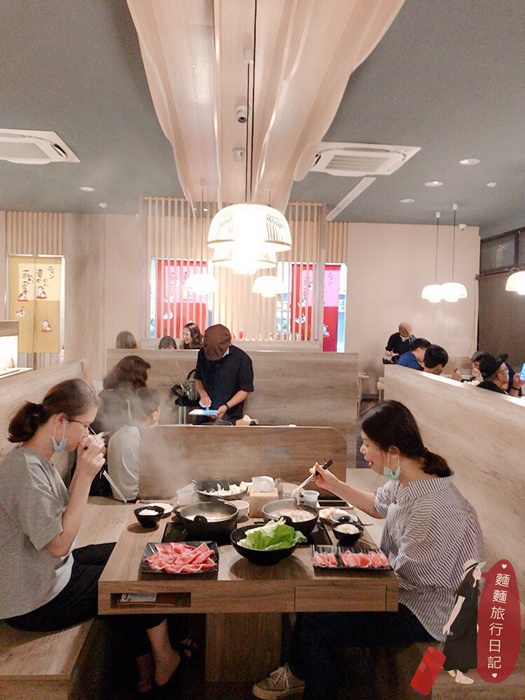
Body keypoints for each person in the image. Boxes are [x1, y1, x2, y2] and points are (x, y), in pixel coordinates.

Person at [253, 400, 484, 700]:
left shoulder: (431, 507)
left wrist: (352, 572)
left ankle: (312, 683)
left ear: (392, 450)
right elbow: (377, 504)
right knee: (316, 601)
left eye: (367, 444)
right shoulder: (408, 476)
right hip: (406, 589)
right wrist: (333, 485)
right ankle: (302, 672)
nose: (362, 451)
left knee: (319, 622)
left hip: (430, 611)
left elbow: (413, 578)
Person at [0, 379, 181, 695]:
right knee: (134, 580)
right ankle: (163, 659)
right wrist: (84, 475)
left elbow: (61, 518)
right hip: (35, 599)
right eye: (84, 425)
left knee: (135, 554)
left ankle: (145, 667)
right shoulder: (23, 471)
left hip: (51, 572)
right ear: (61, 420)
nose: (87, 434)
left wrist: (84, 474)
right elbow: (59, 545)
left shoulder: (36, 459)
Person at [107, 388, 161, 502]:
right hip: (136, 497)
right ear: (154, 414)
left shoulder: (117, 434)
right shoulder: (143, 437)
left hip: (118, 494)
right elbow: (156, 472)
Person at [194, 324, 254, 423]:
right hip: (205, 415)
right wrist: (203, 394)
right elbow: (198, 377)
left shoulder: (242, 359)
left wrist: (226, 406)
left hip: (231, 415)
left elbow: (245, 389)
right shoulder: (202, 353)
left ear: (229, 343)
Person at [443, 559, 485, 685]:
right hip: (461, 622)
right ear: (470, 573)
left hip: (469, 622)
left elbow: (473, 607)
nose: (480, 572)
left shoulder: (475, 586)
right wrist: (449, 623)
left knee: (462, 647)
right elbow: (457, 606)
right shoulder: (465, 587)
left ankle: (451, 668)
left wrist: (475, 623)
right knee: (461, 647)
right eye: (477, 570)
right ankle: (458, 675)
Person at [93, 355, 151, 436]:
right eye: (146, 378)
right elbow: (122, 432)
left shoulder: (108, 393)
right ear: (138, 379)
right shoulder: (117, 400)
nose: (147, 382)